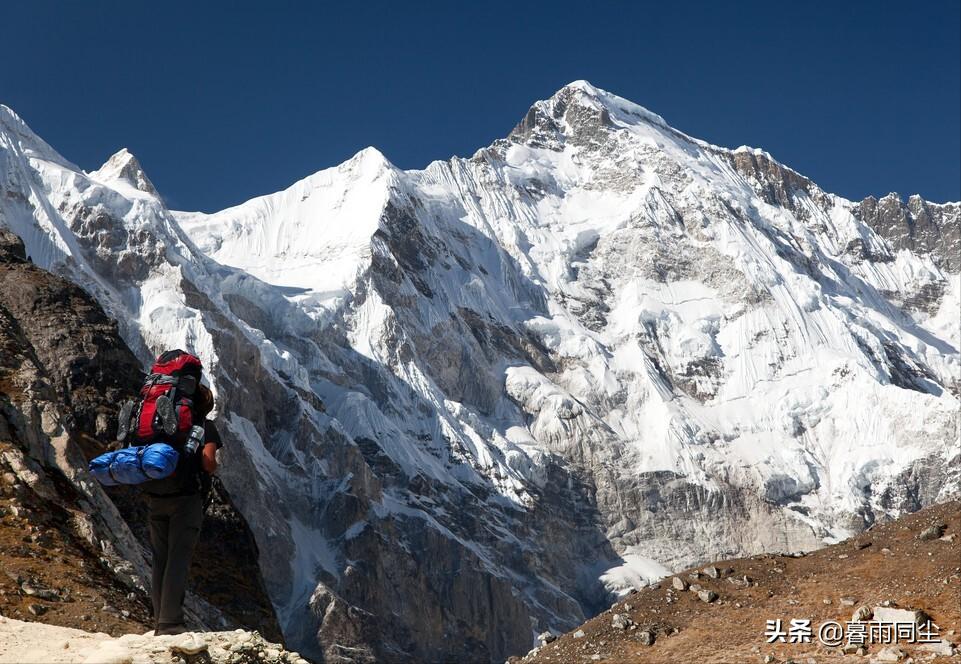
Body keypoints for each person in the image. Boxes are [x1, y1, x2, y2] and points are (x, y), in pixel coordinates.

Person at [145, 382, 222, 635]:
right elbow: (209, 462)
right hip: (186, 501)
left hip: (156, 495)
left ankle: (159, 620)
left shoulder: (165, 427)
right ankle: (171, 623)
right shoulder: (205, 427)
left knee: (160, 559)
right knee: (178, 559)